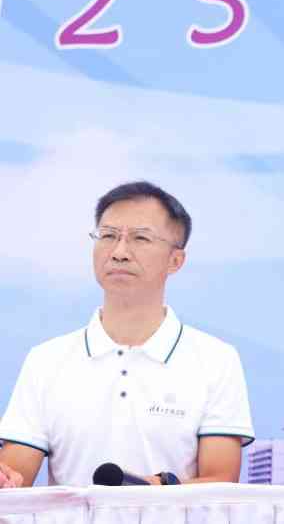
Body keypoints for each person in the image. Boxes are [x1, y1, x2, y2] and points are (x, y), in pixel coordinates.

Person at [0, 181, 254, 487]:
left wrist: (150, 490)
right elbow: (15, 477)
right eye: (108, 236)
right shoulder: (46, 360)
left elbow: (221, 479)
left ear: (176, 260)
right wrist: (7, 478)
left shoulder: (216, 360)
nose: (119, 252)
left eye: (140, 238)